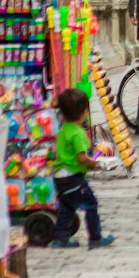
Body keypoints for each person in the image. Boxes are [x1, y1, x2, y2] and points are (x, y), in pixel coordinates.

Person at [50, 87, 115, 249]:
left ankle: (61, 238)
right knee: (90, 204)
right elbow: (81, 158)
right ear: (85, 111)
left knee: (67, 206)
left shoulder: (64, 130)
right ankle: (95, 237)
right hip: (73, 177)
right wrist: (97, 163)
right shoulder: (78, 133)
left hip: (59, 176)